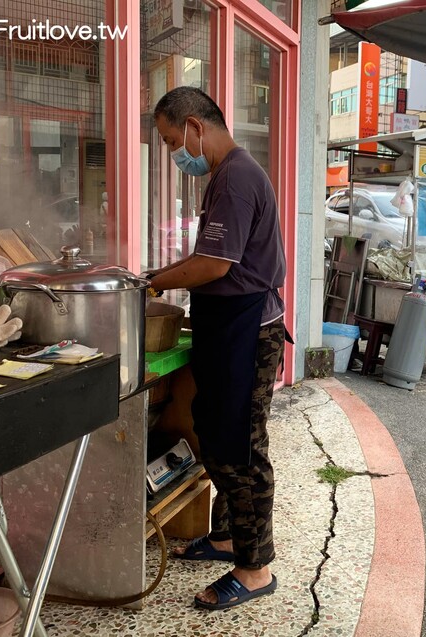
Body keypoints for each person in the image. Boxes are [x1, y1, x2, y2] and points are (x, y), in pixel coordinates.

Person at [146, 86, 287, 611]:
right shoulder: (229, 175)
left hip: (246, 329)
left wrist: (155, 282)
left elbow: (215, 265)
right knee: (215, 431)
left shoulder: (235, 177)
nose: (172, 152)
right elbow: (214, 255)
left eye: (169, 140)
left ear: (194, 127)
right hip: (230, 322)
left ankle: (254, 570)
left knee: (240, 450)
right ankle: (227, 536)